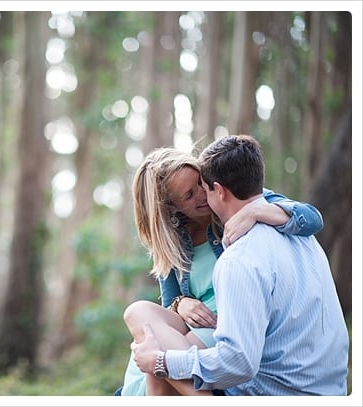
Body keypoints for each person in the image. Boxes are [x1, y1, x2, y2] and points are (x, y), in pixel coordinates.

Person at [130, 134, 349, 395]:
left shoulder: (238, 211)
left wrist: (255, 211)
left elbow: (311, 218)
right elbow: (169, 306)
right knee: (138, 316)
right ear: (171, 210)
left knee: (157, 370)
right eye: (189, 195)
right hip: (200, 329)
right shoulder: (172, 243)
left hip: (229, 328)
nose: (202, 193)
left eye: (201, 183)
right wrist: (180, 303)